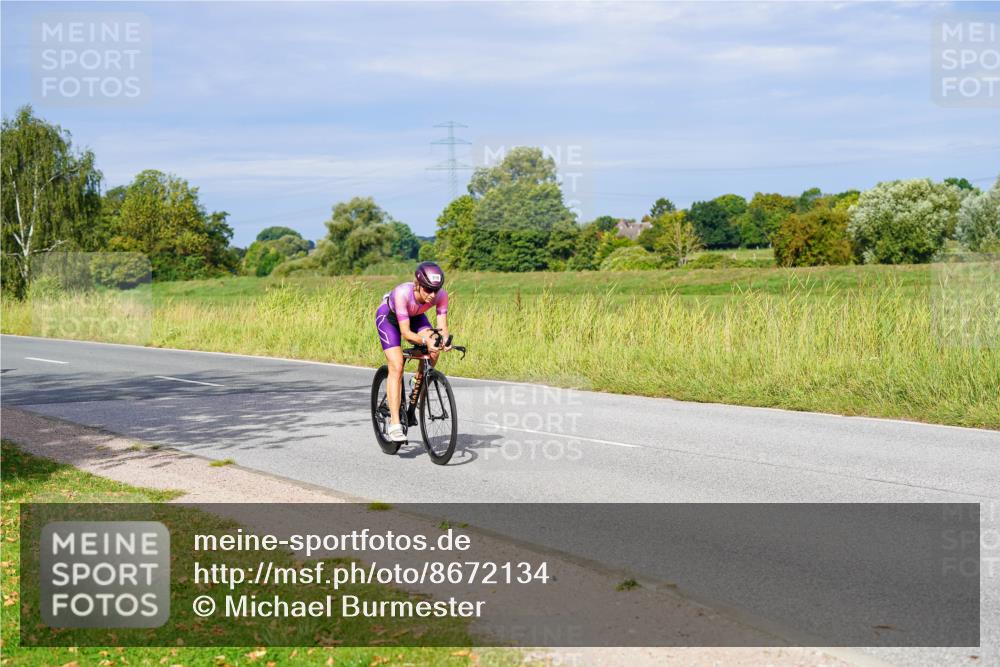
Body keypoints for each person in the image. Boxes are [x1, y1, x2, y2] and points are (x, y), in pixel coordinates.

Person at [375, 262, 450, 442]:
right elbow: (407, 334)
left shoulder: (441, 296)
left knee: (434, 348)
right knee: (397, 365)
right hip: (390, 319)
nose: (432, 295)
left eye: (436, 290)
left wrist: (444, 341)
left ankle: (418, 380)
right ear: (417, 284)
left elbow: (442, 328)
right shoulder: (402, 293)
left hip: (416, 317)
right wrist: (425, 341)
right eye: (428, 290)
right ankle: (394, 424)